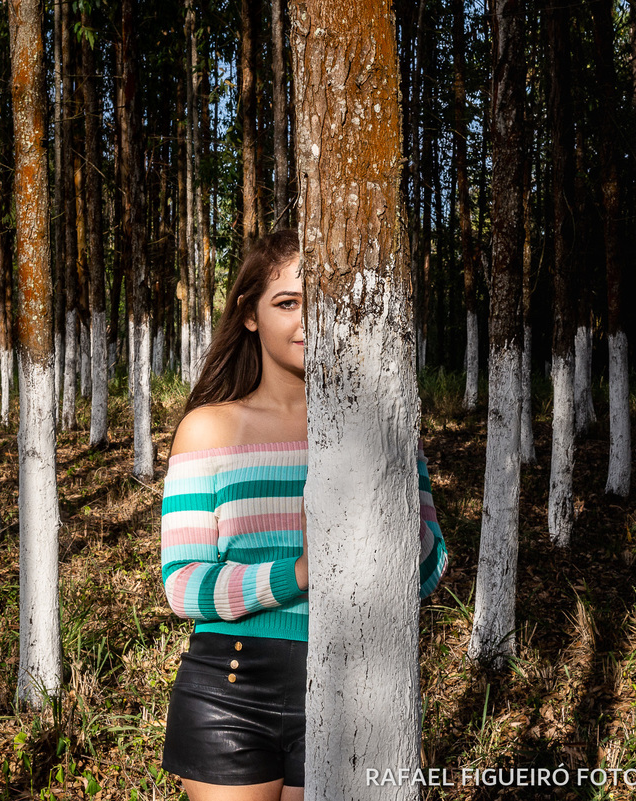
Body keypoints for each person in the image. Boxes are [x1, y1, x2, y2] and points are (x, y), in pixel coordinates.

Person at [159, 229, 448, 801]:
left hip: (357, 686)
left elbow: (431, 565)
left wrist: (388, 493)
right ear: (249, 315)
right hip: (230, 691)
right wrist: (301, 573)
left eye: (324, 305)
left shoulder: (384, 427)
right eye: (287, 303)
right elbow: (183, 585)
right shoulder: (208, 428)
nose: (308, 322)